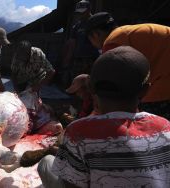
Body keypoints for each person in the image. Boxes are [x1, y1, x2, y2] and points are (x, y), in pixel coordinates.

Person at [38, 46, 170, 187]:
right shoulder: (166, 127)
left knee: (46, 163)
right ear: (145, 91)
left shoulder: (78, 132)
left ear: (91, 89)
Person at [85, 12, 170, 119]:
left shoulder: (113, 41)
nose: (93, 45)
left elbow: (111, 82)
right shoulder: (127, 33)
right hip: (164, 73)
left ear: (96, 34)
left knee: (151, 123)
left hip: (164, 87)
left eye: (90, 40)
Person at [61, 0, 99, 88]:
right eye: (79, 13)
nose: (81, 15)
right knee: (78, 84)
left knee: (92, 83)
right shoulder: (77, 26)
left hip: (92, 58)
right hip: (78, 59)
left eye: (83, 12)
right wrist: (68, 58)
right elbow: (72, 43)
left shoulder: (96, 23)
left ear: (89, 10)